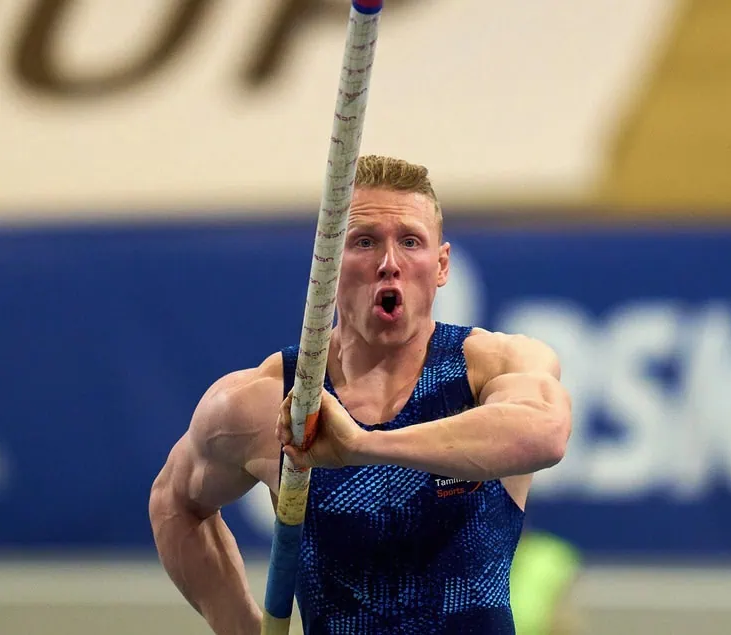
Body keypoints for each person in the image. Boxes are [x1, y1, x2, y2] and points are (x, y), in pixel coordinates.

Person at [148, 154, 573, 635]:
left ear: (441, 265)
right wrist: (242, 628)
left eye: (409, 242)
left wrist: (362, 446)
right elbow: (174, 502)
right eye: (365, 242)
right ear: (327, 263)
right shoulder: (271, 399)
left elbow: (546, 432)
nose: (389, 264)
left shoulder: (491, 367)